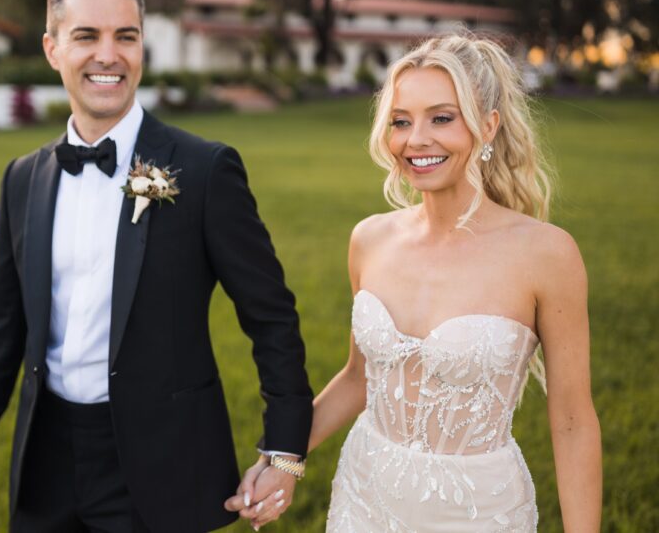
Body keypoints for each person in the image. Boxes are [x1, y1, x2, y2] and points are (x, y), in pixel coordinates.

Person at [0, 0, 313, 533]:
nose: (108, 55)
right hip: (46, 466)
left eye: (125, 37)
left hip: (163, 467)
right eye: (86, 36)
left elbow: (271, 317)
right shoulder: (22, 179)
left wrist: (284, 451)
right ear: (53, 49)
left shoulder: (206, 170)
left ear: (142, 48)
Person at [227, 34, 602, 530]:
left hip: (479, 511)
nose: (415, 140)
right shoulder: (370, 239)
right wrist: (283, 457)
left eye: (441, 118)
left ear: (487, 126)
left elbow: (573, 423)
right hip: (364, 496)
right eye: (401, 121)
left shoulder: (547, 254)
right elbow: (360, 378)